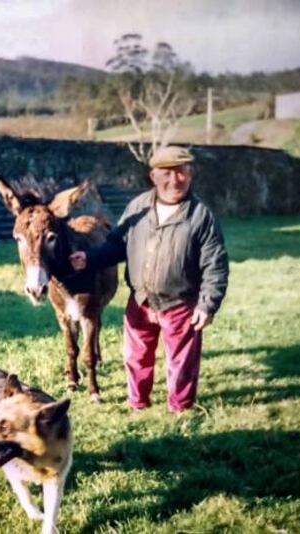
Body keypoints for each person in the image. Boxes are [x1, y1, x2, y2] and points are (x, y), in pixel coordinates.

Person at [69, 146, 229, 413]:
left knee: (181, 361)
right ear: (153, 176)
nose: (174, 180)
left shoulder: (201, 215)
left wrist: (207, 305)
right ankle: (138, 404)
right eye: (166, 173)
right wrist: (90, 259)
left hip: (181, 303)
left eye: (182, 172)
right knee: (136, 357)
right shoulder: (138, 206)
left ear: (191, 174)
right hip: (140, 300)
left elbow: (215, 264)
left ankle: (181, 409)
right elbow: (116, 245)